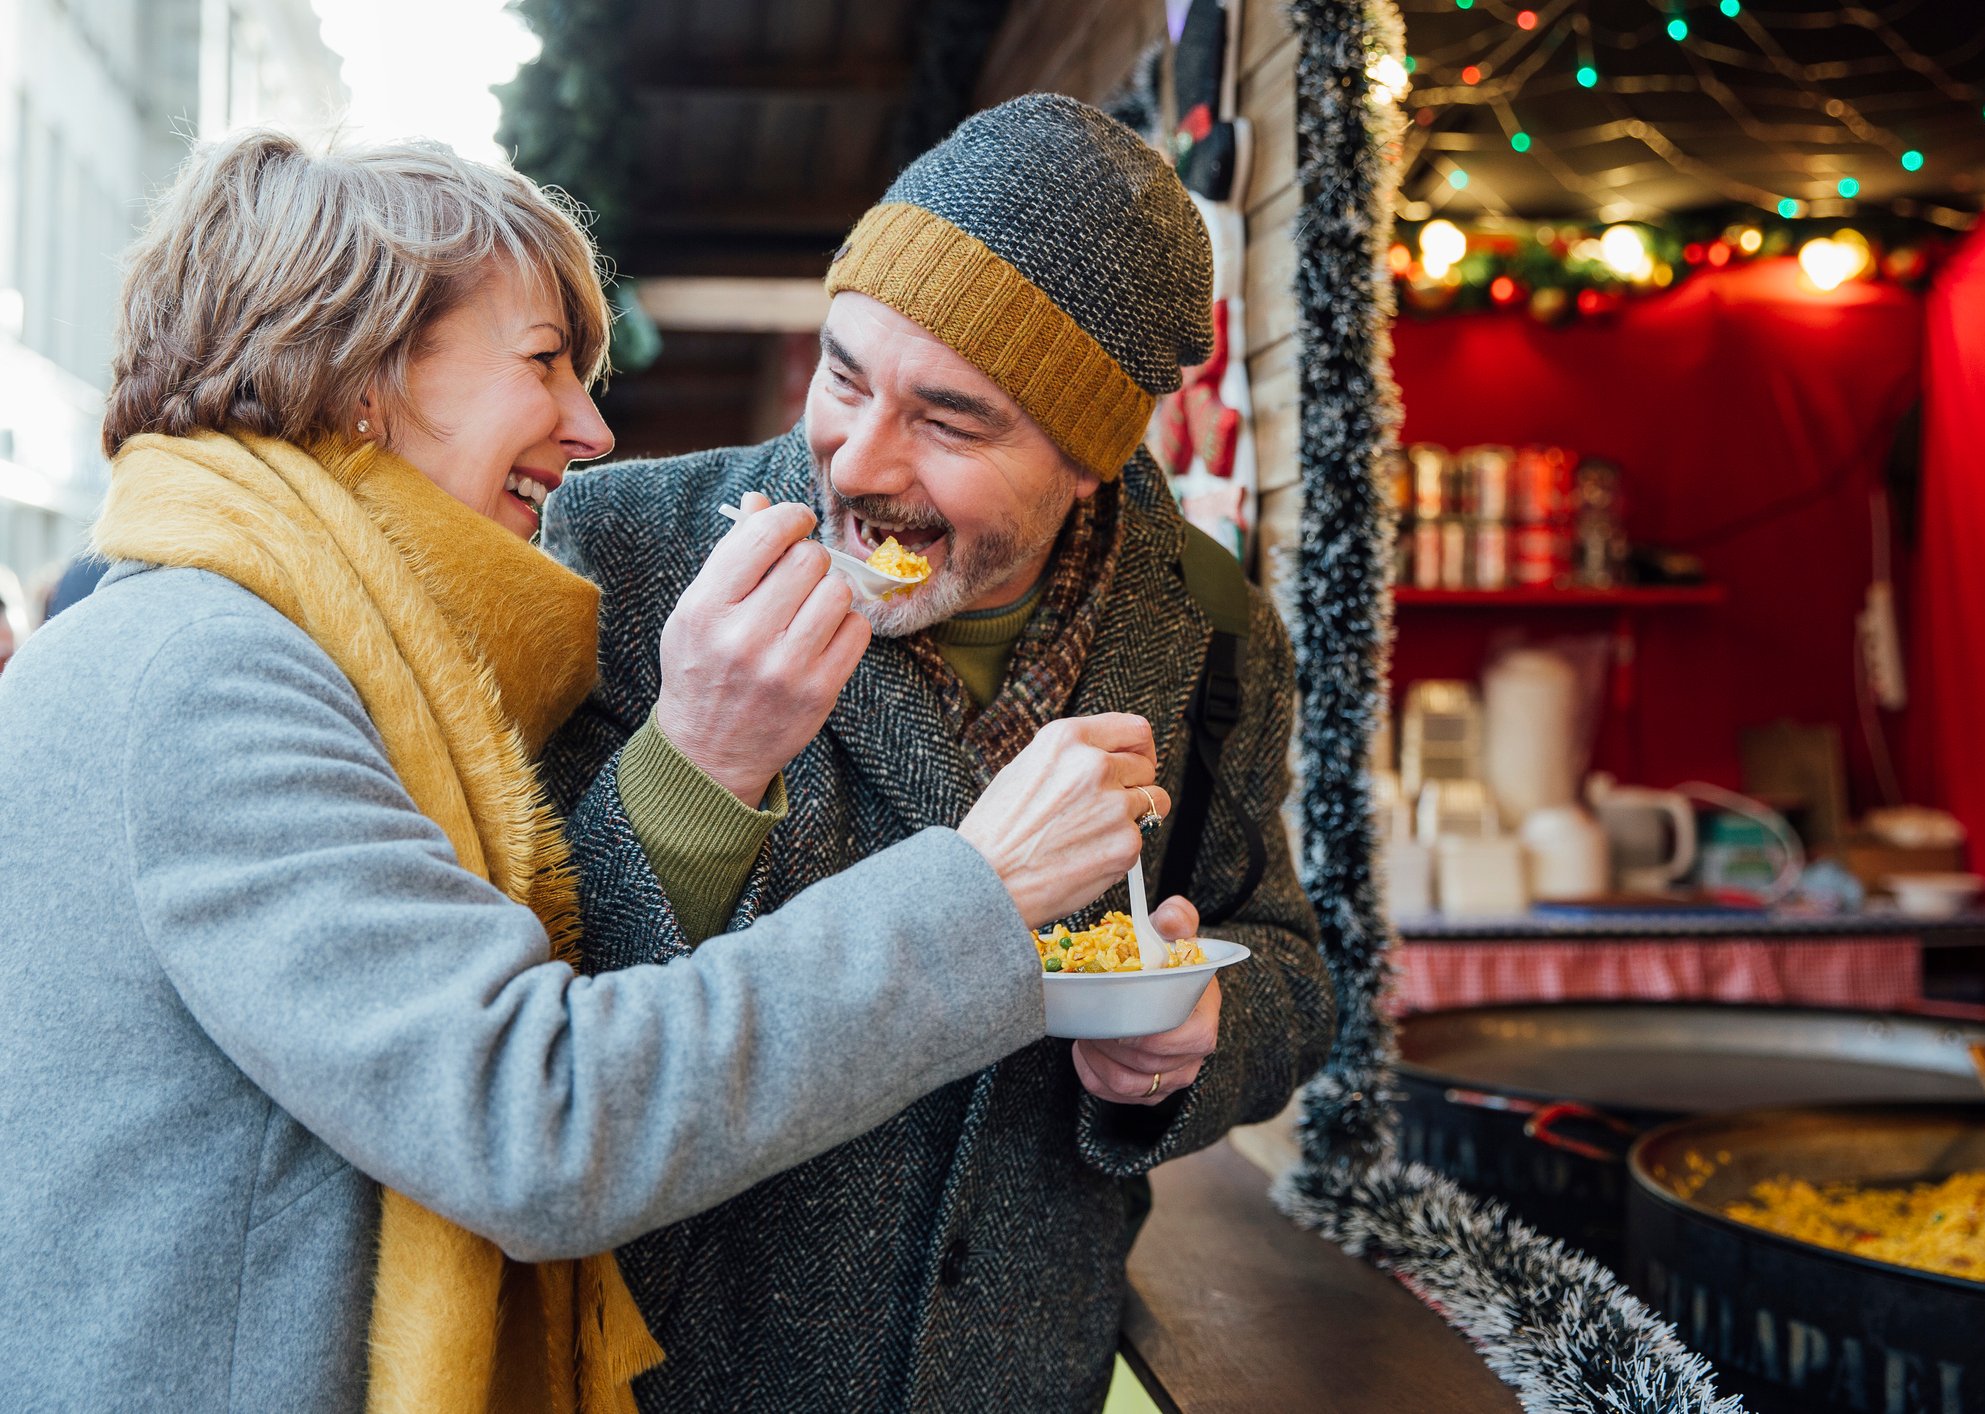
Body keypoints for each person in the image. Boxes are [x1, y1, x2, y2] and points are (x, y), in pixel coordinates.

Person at [0, 131, 1175, 1414]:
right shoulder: (212, 670)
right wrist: (979, 896)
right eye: (546, 360)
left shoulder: (294, 642)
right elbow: (533, 1117)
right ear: (359, 376)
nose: (592, 427)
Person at [540, 93, 1335, 1412]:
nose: (856, 459)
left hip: (1025, 1374)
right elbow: (521, 1038)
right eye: (843, 372)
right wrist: (699, 760)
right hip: (672, 1377)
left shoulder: (1207, 622)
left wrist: (1201, 1033)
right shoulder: (622, 555)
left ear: (1086, 459)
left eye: (950, 419)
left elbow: (1294, 959)